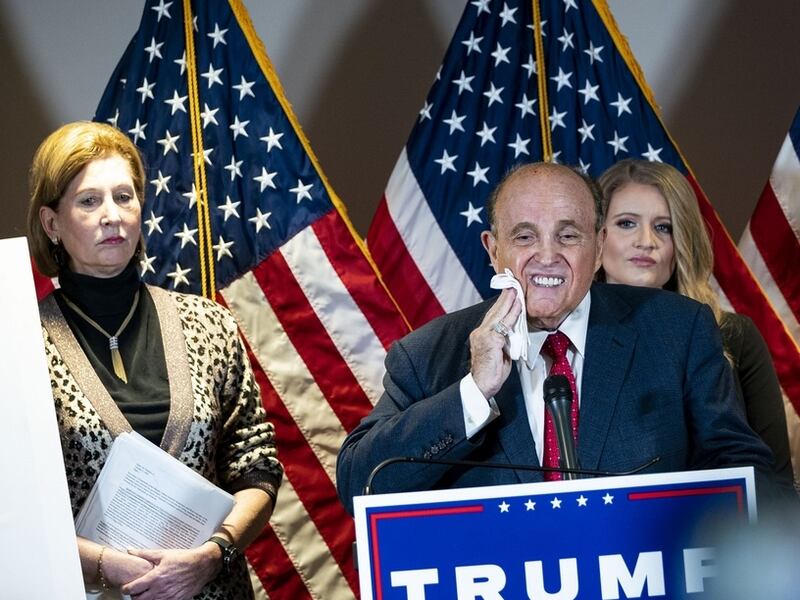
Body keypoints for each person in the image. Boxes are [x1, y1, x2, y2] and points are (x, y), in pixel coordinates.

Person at [336, 161, 775, 515]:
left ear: (599, 246)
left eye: (568, 235)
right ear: (493, 249)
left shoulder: (677, 331)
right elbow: (361, 486)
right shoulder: (427, 354)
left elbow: (743, 471)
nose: (548, 255)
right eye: (525, 236)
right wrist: (473, 392)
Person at [28, 121, 283, 600]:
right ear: (51, 224)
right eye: (89, 200)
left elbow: (257, 467)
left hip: (212, 588)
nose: (112, 216)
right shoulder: (21, 345)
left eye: (124, 197)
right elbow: (14, 506)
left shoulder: (209, 325)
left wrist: (215, 553)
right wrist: (107, 566)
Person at [598, 158, 794, 488]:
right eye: (627, 223)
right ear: (596, 235)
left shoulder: (733, 335)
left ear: (683, 241)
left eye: (664, 227)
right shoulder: (565, 340)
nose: (647, 240)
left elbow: (774, 479)